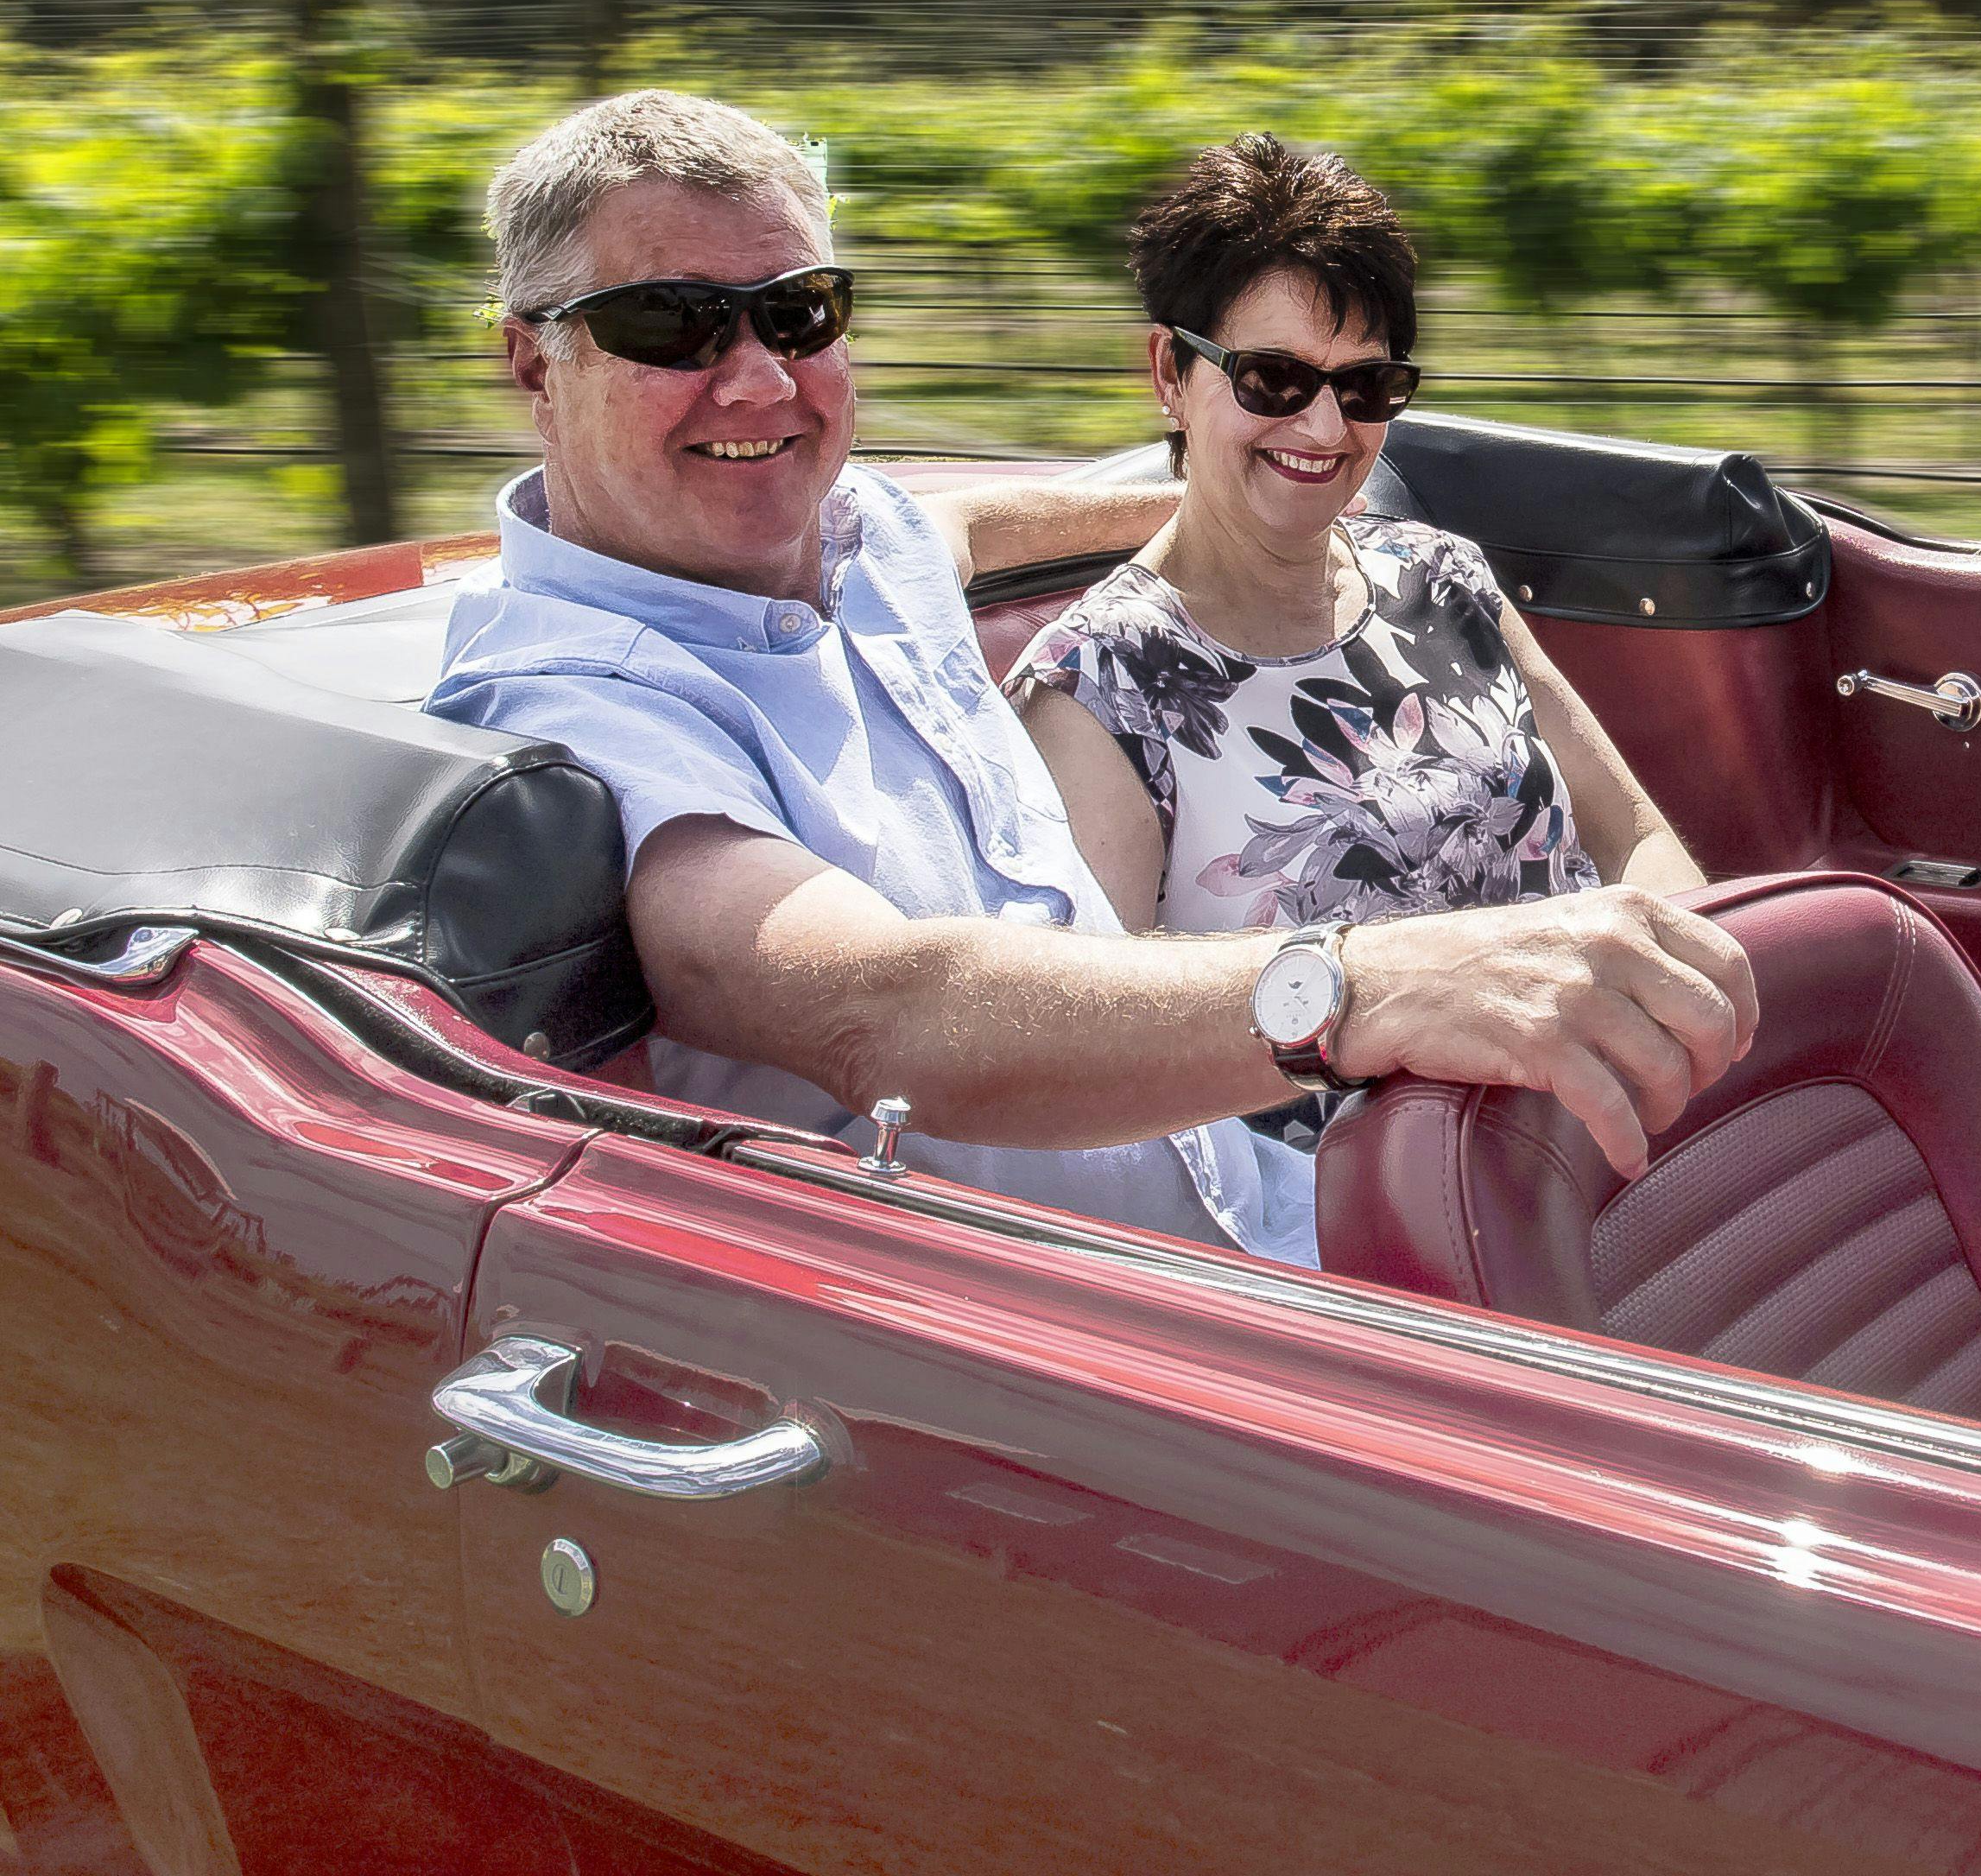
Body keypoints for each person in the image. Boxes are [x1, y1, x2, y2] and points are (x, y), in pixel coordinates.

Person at [426, 92, 1754, 1268]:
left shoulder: (851, 531)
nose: (759, 377)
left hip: (1278, 1216)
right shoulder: (579, 706)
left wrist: (1253, 491)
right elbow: (882, 1015)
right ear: (534, 360)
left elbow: (983, 522)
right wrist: (1363, 984)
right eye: (671, 326)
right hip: (1062, 1339)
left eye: (798, 311)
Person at [1004, 138, 1703, 1011]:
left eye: (1366, 386)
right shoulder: (1095, 696)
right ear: (1169, 374)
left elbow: (1631, 836)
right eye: (1273, 379)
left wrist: (1696, 987)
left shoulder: (1442, 580)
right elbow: (1100, 1039)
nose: (1328, 429)